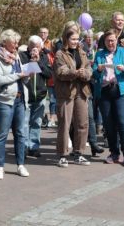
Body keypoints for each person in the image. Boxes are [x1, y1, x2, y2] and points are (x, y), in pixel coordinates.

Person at [0, 29, 32, 178]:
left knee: (20, 134)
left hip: (20, 99)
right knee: (2, 134)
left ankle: (20, 164)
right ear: (5, 42)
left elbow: (22, 78)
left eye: (18, 42)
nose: (17, 45)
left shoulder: (16, 56)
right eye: (14, 42)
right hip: (4, 100)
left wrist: (27, 76)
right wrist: (18, 75)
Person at [93, 30, 124, 165]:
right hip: (105, 91)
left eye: (112, 40)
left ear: (117, 41)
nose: (110, 43)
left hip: (122, 91)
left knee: (122, 122)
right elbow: (94, 74)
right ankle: (114, 153)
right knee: (108, 124)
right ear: (104, 42)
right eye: (108, 41)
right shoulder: (100, 54)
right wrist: (98, 70)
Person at [53, 28, 93, 167]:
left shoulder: (82, 53)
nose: (75, 42)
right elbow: (60, 72)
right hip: (66, 93)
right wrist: (74, 73)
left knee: (82, 123)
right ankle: (62, 154)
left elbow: (89, 69)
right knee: (65, 124)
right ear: (66, 39)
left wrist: (85, 73)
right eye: (73, 39)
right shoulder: (60, 54)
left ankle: (79, 153)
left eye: (77, 39)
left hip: (81, 92)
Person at [21, 35, 52, 157]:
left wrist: (38, 61)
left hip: (40, 94)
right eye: (32, 47)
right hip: (26, 94)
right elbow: (21, 72)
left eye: (37, 47)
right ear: (28, 46)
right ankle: (22, 147)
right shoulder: (22, 56)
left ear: (41, 47)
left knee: (36, 122)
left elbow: (49, 74)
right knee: (24, 122)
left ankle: (34, 147)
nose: (34, 49)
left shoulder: (44, 57)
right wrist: (31, 62)